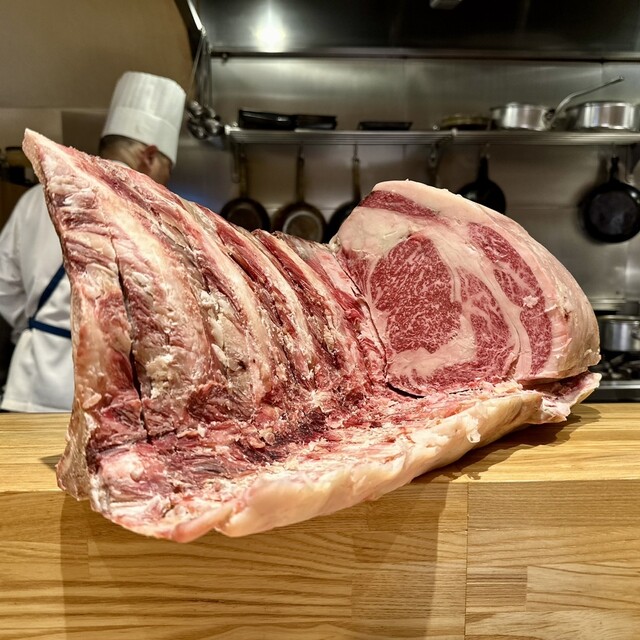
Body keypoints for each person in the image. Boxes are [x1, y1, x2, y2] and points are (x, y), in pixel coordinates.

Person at [0, 71, 186, 412]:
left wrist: (41, 329)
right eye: (167, 169)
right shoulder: (147, 210)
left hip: (31, 387)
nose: (165, 180)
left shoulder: (35, 198)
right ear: (149, 155)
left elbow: (3, 286)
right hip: (108, 394)